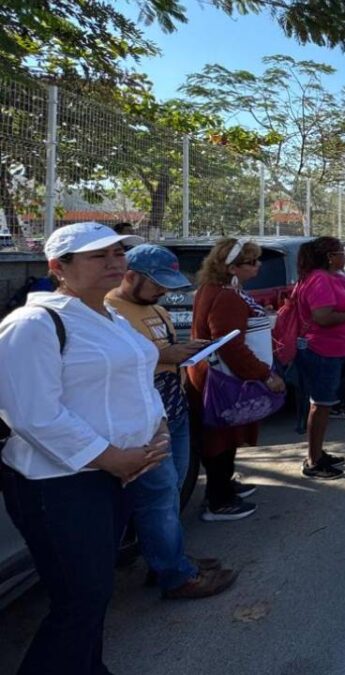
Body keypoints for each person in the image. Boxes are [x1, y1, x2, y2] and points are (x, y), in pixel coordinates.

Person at [0, 222, 167, 673]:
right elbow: (31, 413)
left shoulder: (111, 317)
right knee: (80, 598)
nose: (114, 262)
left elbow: (139, 380)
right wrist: (112, 458)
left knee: (94, 594)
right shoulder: (34, 324)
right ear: (59, 266)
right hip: (61, 483)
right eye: (98, 255)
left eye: (118, 253)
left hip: (115, 476)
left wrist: (158, 429)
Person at [107, 244, 238, 599]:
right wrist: (167, 355)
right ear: (129, 276)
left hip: (172, 412)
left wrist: (187, 351)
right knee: (159, 495)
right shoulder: (108, 313)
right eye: (157, 283)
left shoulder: (158, 310)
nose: (163, 291)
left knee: (173, 489)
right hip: (141, 420)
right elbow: (112, 365)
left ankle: (167, 558)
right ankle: (176, 575)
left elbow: (167, 352)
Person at [187, 238, 285, 521]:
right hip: (222, 378)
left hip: (212, 373)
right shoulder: (226, 297)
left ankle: (224, 485)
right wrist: (264, 374)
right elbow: (230, 345)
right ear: (231, 267)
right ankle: (218, 500)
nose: (258, 266)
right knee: (221, 437)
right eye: (251, 262)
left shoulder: (213, 289)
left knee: (223, 435)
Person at [292, 236, 345, 479]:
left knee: (325, 404)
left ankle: (317, 452)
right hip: (322, 351)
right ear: (329, 257)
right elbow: (322, 317)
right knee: (321, 405)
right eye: (340, 252)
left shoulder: (334, 276)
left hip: (336, 350)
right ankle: (313, 461)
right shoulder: (319, 280)